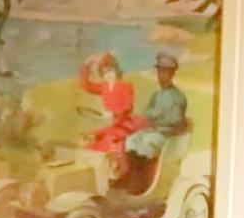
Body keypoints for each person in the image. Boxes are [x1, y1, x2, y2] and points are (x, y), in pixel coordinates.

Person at [121, 52, 189, 182]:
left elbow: (175, 120)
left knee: (147, 141)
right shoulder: (157, 95)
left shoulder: (177, 96)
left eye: (165, 72)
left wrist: (156, 117)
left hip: (168, 135)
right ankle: (132, 175)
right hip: (155, 130)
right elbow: (147, 112)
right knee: (131, 140)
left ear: (172, 74)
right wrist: (155, 116)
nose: (161, 76)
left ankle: (142, 179)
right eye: (159, 72)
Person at [77, 53, 144, 161]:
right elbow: (84, 85)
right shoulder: (103, 87)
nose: (108, 75)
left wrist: (115, 113)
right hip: (114, 126)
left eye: (110, 71)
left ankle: (117, 163)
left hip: (126, 125)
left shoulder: (126, 86)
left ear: (116, 71)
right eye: (104, 73)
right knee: (90, 138)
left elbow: (128, 106)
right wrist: (86, 65)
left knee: (109, 141)